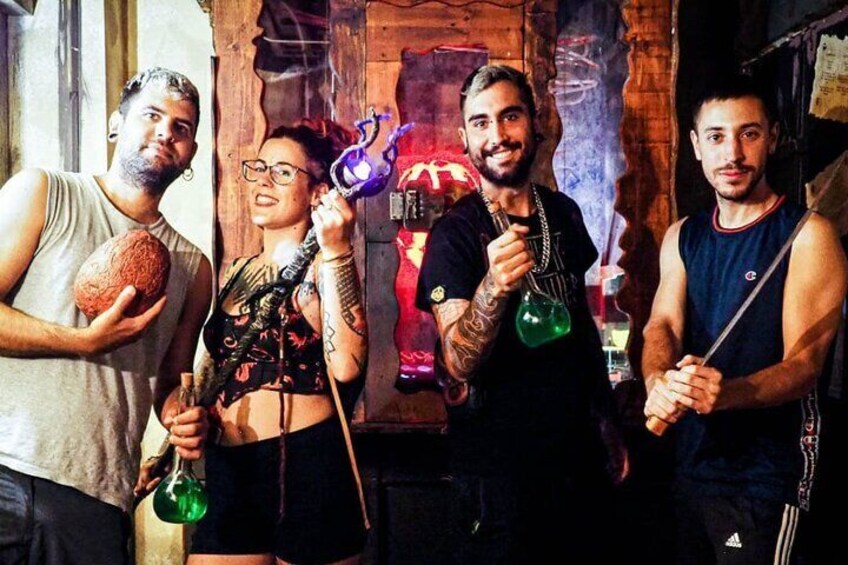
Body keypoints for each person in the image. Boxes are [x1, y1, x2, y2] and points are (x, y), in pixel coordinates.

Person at [415, 64, 629, 564]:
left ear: (535, 123)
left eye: (510, 116)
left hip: (577, 460)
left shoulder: (564, 213)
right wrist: (493, 287)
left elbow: (582, 328)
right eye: (481, 122)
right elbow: (457, 361)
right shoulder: (455, 234)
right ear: (465, 139)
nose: (497, 135)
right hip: (499, 476)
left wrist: (607, 421)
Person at [0, 67, 212, 564]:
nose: (166, 132)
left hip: (95, 494)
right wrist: (83, 341)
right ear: (116, 124)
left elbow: (170, 385)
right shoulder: (44, 193)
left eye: (181, 127)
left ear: (191, 154)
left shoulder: (193, 267)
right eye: (152, 115)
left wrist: (183, 418)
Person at [642, 74, 848, 564]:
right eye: (716, 137)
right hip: (692, 466)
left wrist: (726, 394)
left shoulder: (808, 235)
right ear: (696, 146)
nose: (732, 154)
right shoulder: (682, 235)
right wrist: (657, 381)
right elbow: (661, 326)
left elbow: (805, 366)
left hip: (767, 476)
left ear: (771, 138)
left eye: (748, 134)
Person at [187, 118, 368, 565]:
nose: (263, 181)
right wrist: (188, 418)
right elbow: (212, 371)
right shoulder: (236, 271)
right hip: (231, 471)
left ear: (317, 192)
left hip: (306, 464)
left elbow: (346, 364)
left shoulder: (323, 267)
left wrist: (337, 251)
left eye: (283, 172)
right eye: (259, 168)